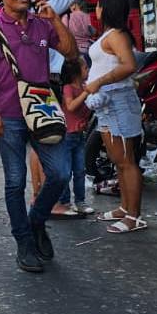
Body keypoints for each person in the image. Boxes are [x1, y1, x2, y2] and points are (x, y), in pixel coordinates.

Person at [0, 0, 79, 273]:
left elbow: (71, 53)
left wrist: (54, 18)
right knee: (15, 181)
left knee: (60, 173)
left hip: (44, 111)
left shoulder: (41, 24)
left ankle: (36, 221)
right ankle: (24, 241)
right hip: (8, 115)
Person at [85, 0, 146, 233]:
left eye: (98, 6)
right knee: (119, 160)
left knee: (126, 161)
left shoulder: (117, 36)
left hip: (118, 100)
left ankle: (134, 216)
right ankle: (125, 207)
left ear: (105, 8)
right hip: (109, 103)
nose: (95, 9)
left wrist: (99, 82)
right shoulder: (110, 35)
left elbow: (128, 65)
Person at [56, 57, 94, 216]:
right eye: (85, 67)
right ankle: (65, 202)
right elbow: (71, 106)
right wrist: (86, 93)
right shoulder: (68, 88)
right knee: (66, 171)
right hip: (67, 135)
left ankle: (80, 202)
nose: (88, 70)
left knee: (79, 170)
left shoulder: (85, 87)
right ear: (76, 72)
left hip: (79, 135)